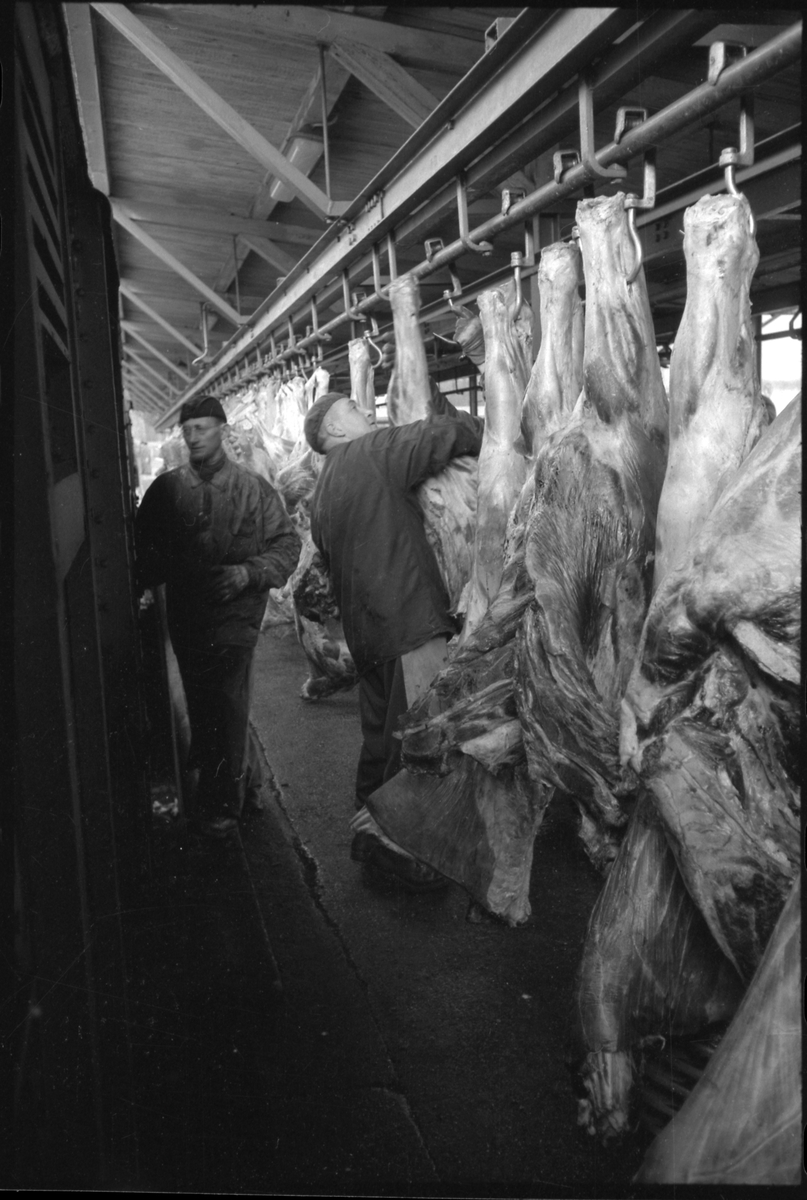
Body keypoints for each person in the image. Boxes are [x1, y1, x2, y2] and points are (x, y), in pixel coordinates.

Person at [305, 390, 484, 889]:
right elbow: (442, 434)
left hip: (367, 638)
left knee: (380, 742)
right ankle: (404, 852)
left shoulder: (321, 495)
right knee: (421, 739)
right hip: (409, 622)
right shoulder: (371, 451)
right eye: (352, 408)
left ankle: (369, 840)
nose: (366, 410)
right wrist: (492, 426)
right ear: (333, 429)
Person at [135, 394, 301, 837]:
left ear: (222, 432)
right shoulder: (166, 490)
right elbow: (141, 551)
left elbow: (287, 545)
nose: (193, 437)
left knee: (224, 705)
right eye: (187, 430)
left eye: (202, 429)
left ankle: (222, 807)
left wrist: (248, 573)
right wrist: (152, 577)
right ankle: (246, 786)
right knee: (206, 704)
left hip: (236, 620)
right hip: (188, 619)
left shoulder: (253, 489)